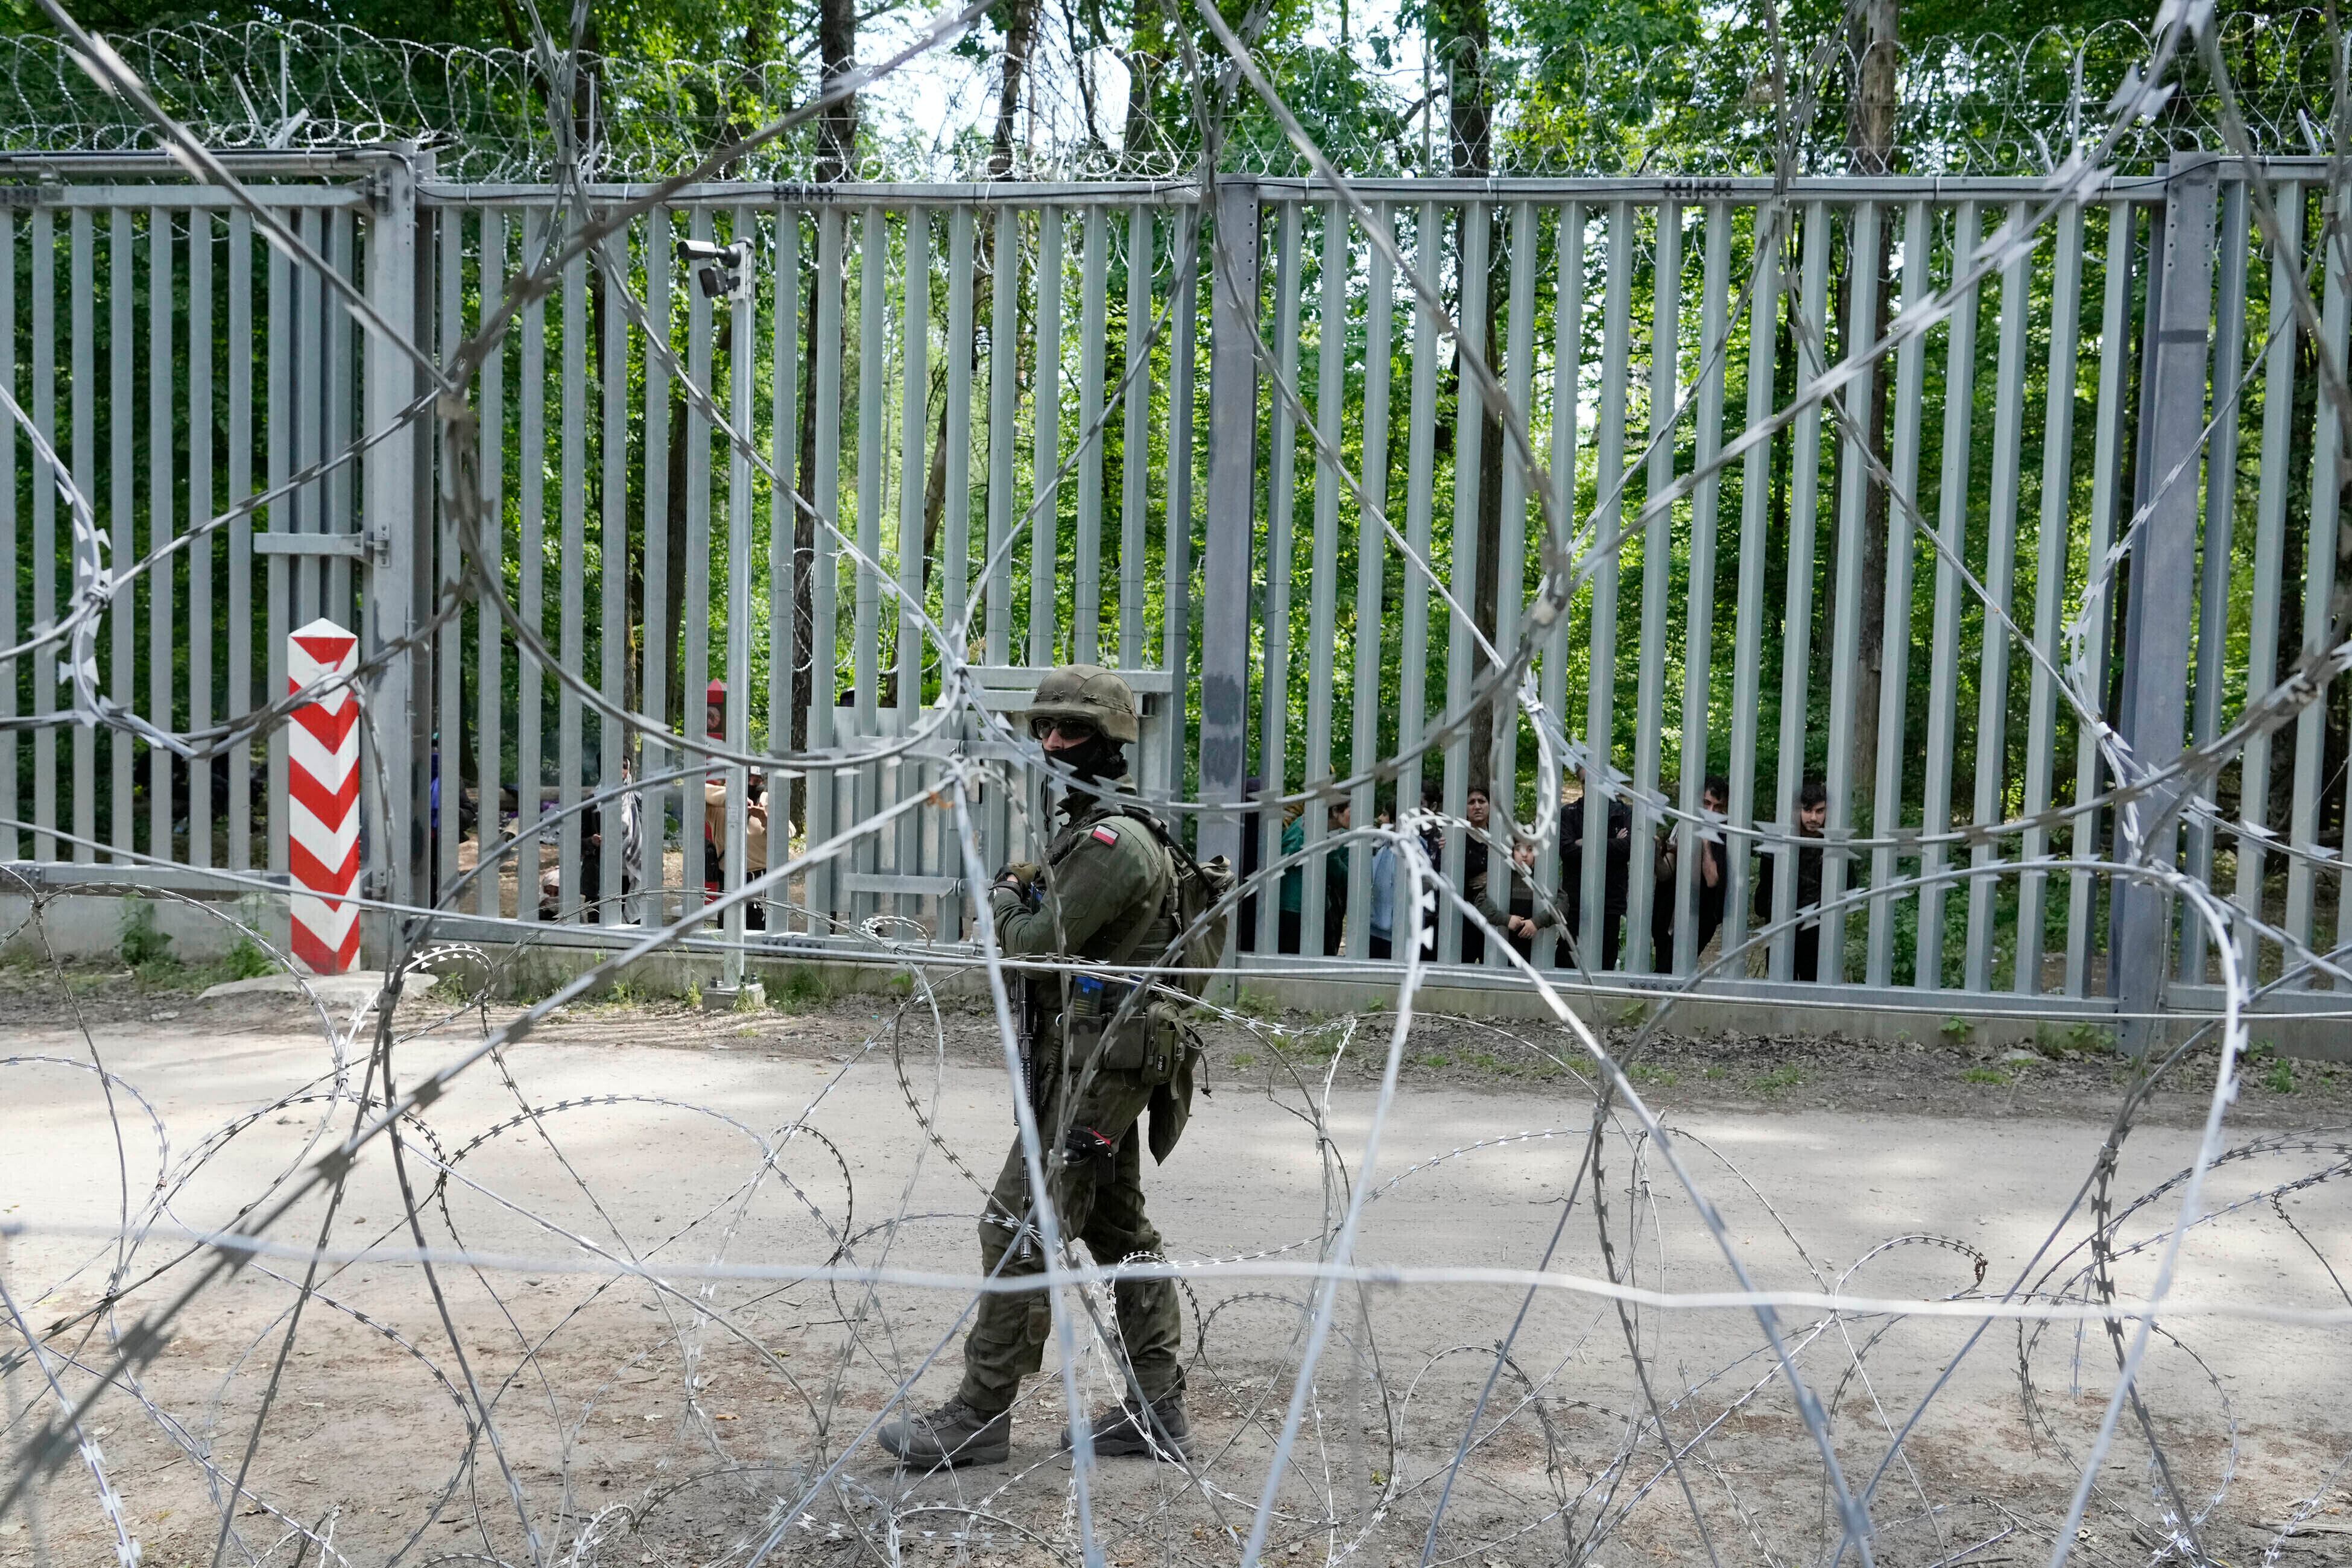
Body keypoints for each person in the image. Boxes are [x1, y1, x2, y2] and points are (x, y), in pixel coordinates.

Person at [879, 665, 1196, 1469]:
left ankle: (981, 1415)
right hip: (1096, 1058)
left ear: (1109, 741)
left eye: (1073, 732)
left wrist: (1006, 905)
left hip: (1099, 1064)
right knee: (1117, 1229)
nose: (1053, 743)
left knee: (1019, 1224)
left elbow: (1033, 945)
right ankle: (1158, 1410)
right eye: (1046, 729)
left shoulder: (1113, 840)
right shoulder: (1096, 832)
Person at [700, 679, 769, 928]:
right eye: (748, 778)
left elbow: (787, 834)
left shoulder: (768, 800)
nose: (754, 782)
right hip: (729, 880)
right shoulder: (722, 804)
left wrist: (763, 817)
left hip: (759, 882)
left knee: (758, 937)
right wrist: (732, 795)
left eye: (757, 778)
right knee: (728, 933)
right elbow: (695, 790)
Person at [1752, 777, 1829, 981]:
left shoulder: (1833, 847)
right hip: (1781, 926)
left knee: (1812, 988)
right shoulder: (1778, 845)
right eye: (1808, 810)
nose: (1814, 818)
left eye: (1820, 811)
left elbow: (1847, 887)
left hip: (1817, 931)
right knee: (1780, 986)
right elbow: (1766, 891)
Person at [1651, 776, 1730, 972]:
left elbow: (1712, 880)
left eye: (1717, 807)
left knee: (1669, 972)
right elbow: (1665, 873)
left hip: (1699, 919)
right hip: (1667, 915)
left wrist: (1704, 841)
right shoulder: (1681, 826)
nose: (1710, 812)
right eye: (1706, 804)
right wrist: (1655, 853)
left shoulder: (1725, 834)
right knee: (1664, 973)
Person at [1557, 783, 1631, 971]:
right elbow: (1566, 850)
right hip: (1575, 900)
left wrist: (1584, 842)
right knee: (1567, 958)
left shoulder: (1622, 812)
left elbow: (1628, 848)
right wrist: (1612, 843)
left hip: (1611, 899)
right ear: (1584, 786)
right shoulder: (1569, 812)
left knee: (1605, 959)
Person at [1479, 839, 1567, 960]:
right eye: (1519, 849)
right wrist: (1506, 919)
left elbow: (1563, 907)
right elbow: (1480, 904)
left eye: (1530, 850)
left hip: (1537, 953)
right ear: (1512, 852)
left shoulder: (1545, 880)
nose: (1525, 855)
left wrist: (1537, 922)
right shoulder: (1502, 878)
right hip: (1503, 953)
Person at [1460, 785, 1493, 965]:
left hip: (1495, 915)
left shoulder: (1501, 837)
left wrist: (1493, 877)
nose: (1477, 806)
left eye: (1482, 801)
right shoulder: (1456, 837)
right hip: (1464, 916)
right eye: (1471, 802)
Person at [1320, 800, 1351, 956]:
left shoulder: (1346, 839)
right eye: (1351, 810)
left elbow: (1351, 878)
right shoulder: (1304, 828)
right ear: (1335, 811)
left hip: (1333, 909)